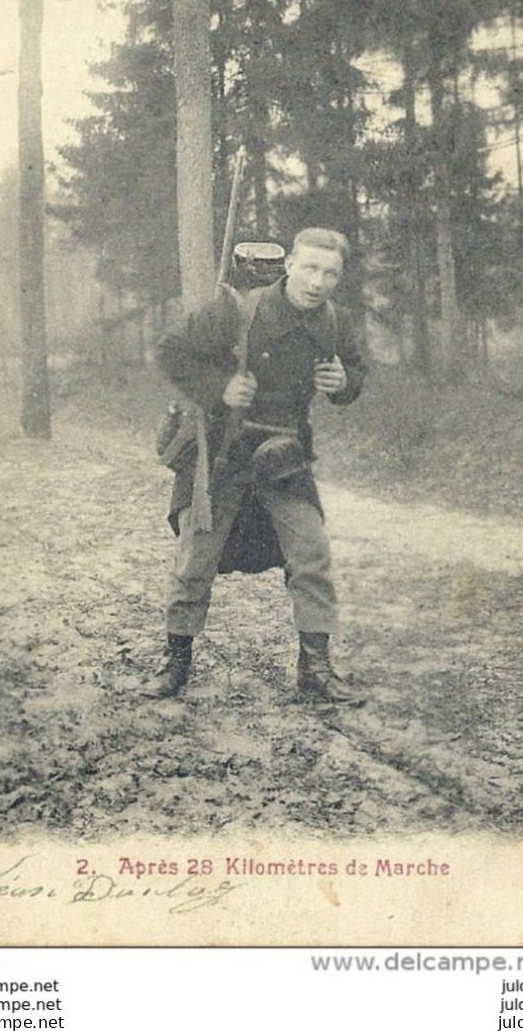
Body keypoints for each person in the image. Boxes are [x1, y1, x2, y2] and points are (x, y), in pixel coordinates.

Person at [144, 227, 368, 702]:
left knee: (312, 553)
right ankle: (175, 662)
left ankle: (315, 669)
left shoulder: (334, 321)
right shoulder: (237, 310)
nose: (317, 281)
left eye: (330, 273)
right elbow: (170, 353)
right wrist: (220, 386)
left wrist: (344, 382)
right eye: (309, 268)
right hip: (224, 452)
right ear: (289, 265)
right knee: (195, 558)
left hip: (285, 455)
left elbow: (355, 370)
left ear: (339, 278)